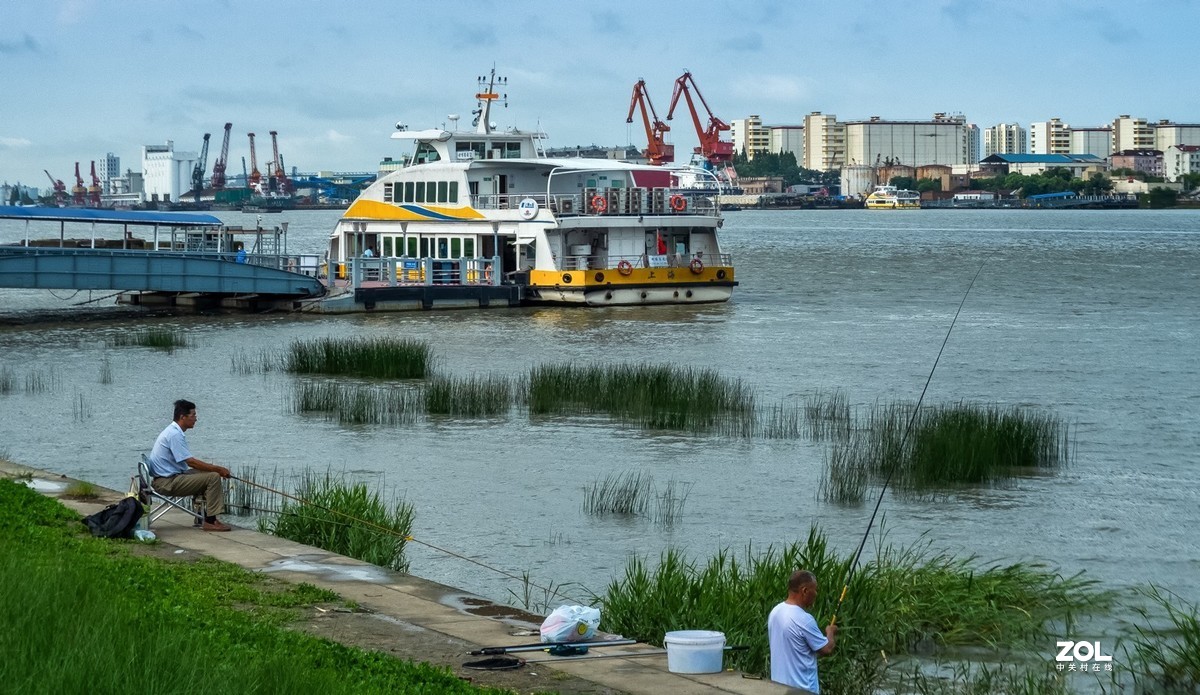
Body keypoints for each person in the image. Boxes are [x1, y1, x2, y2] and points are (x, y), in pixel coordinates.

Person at [146, 399, 233, 532]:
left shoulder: (172, 431)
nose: (196, 419)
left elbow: (189, 463)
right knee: (213, 477)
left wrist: (213, 469)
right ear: (182, 417)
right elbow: (190, 462)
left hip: (169, 478)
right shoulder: (174, 434)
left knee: (206, 474)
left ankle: (203, 516)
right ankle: (210, 521)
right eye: (193, 415)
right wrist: (218, 469)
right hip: (167, 483)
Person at [767, 569, 837, 693]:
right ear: (805, 591)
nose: (816, 594)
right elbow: (827, 649)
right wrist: (830, 631)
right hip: (803, 691)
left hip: (779, 689)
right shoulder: (804, 619)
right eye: (815, 590)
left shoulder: (775, 612)